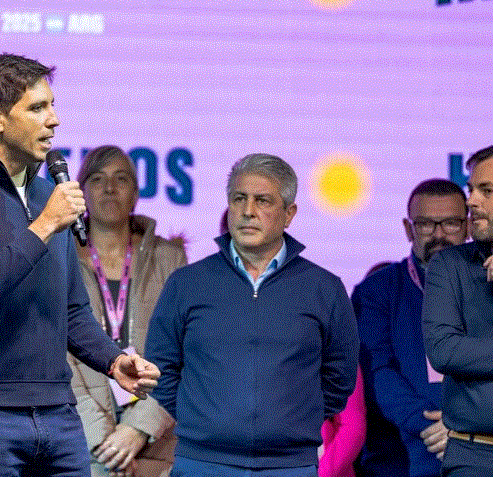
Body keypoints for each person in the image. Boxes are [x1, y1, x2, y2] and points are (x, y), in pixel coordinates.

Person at [0, 53, 160, 477]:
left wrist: (113, 361)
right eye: (38, 108)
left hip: (59, 413)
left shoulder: (48, 195)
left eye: (53, 105)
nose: (54, 120)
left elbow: (71, 310)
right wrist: (44, 225)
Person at [146, 153, 359, 477]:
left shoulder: (324, 288)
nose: (248, 211)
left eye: (262, 201)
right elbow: (161, 366)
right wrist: (201, 420)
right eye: (239, 199)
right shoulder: (187, 283)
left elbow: (339, 377)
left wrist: (292, 424)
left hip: (289, 466)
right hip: (202, 464)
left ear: (289, 214)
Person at [68, 145, 187, 477]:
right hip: (84, 441)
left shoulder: (169, 259)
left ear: (135, 194)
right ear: (82, 192)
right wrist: (106, 444)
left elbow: (183, 353)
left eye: (121, 179)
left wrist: (139, 429)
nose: (109, 188)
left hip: (158, 438)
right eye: (97, 179)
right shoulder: (59, 259)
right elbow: (55, 355)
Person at [353, 179, 468, 477]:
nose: (439, 235)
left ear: (468, 225)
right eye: (426, 224)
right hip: (400, 461)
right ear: (408, 228)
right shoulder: (376, 291)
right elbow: (376, 372)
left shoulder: (486, 285)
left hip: (477, 454)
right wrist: (436, 425)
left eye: (451, 223)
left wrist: (467, 425)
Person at [423, 145, 493, 476]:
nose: (471, 201)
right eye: (471, 189)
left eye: (487, 191)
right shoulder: (449, 266)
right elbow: (444, 350)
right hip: (474, 456)